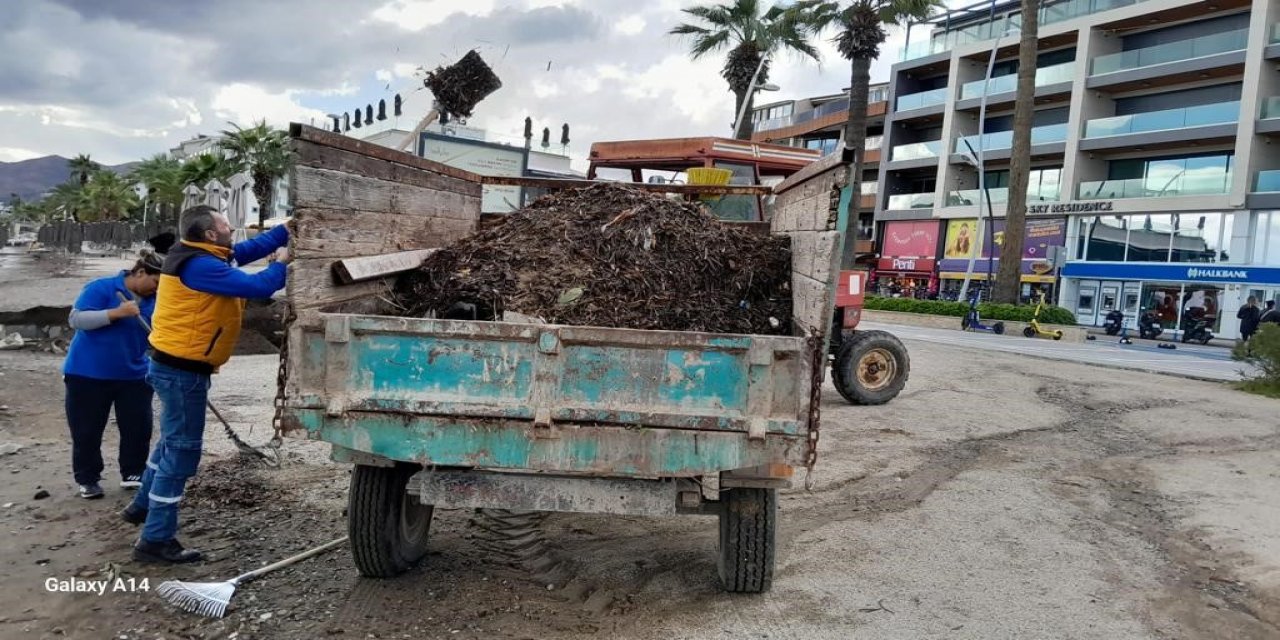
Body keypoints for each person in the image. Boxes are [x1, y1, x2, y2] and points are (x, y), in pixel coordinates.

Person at [122, 205, 290, 564]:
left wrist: (289, 229)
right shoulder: (199, 266)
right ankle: (155, 539)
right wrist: (283, 262)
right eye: (226, 224)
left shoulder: (203, 254)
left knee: (169, 440)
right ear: (211, 234)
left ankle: (140, 508)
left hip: (174, 366)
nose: (232, 228)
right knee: (182, 452)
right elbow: (259, 284)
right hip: (183, 371)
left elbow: (248, 251)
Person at [63, 252, 165, 499]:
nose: (156, 289)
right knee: (86, 430)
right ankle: (88, 479)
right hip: (87, 374)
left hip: (134, 375)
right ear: (140, 273)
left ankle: (133, 473)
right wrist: (115, 313)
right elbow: (76, 319)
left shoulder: (156, 300)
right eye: (155, 283)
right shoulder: (102, 288)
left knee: (138, 428)